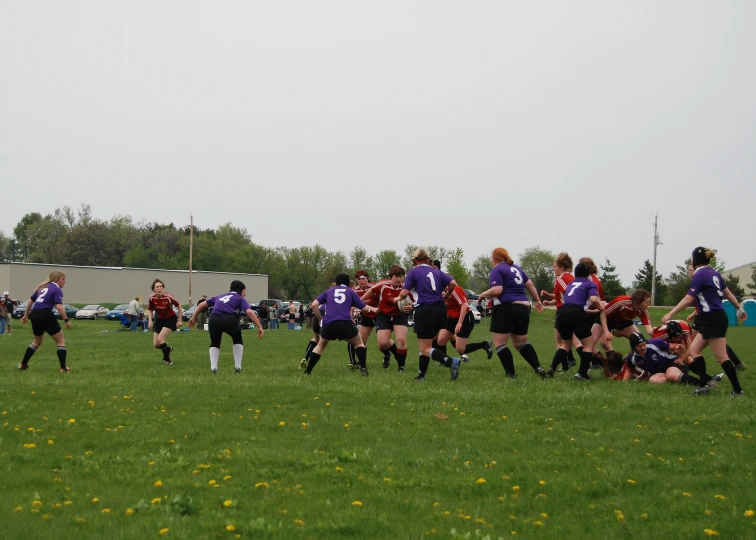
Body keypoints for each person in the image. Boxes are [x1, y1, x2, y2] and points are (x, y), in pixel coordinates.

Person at [662, 247, 746, 396]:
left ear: (696, 260)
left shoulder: (699, 275)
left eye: (691, 259)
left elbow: (689, 298)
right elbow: (727, 293)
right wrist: (739, 308)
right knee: (694, 350)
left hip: (712, 318)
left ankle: (737, 391)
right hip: (713, 317)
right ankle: (703, 385)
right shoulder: (714, 273)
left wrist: (670, 313)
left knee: (721, 357)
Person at [477, 247, 546, 379]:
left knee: (500, 342)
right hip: (524, 307)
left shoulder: (497, 269)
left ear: (494, 258)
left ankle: (511, 374)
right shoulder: (516, 268)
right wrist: (537, 300)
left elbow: (497, 290)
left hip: (506, 307)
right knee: (521, 342)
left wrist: (482, 294)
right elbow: (530, 285)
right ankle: (538, 367)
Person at [394, 248, 462, 382]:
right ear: (428, 260)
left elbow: (404, 293)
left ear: (414, 260)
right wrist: (447, 295)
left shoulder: (413, 272)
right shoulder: (437, 271)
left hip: (426, 310)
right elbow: (453, 283)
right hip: (441, 309)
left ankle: (449, 361)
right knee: (426, 344)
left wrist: (398, 299)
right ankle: (421, 375)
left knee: (425, 348)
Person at [303, 273, 379, 376]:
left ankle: (308, 371)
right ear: (348, 283)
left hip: (329, 323)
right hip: (345, 323)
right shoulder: (350, 292)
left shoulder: (328, 291)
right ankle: (363, 369)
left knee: (321, 345)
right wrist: (375, 309)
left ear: (337, 282)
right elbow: (364, 308)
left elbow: (314, 305)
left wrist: (321, 319)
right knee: (359, 343)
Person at [545, 262, 610, 380]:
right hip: (576, 313)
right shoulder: (590, 284)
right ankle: (582, 373)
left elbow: (570, 303)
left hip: (562, 312)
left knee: (565, 345)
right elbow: (593, 299)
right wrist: (600, 308)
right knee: (588, 345)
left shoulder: (570, 284)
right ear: (588, 273)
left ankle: (551, 369)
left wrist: (591, 311)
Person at [188, 280, 264, 373]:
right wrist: (259, 326)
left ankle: (213, 368)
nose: (245, 294)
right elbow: (249, 311)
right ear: (241, 290)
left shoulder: (220, 296)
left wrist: (193, 318)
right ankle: (238, 367)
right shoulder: (240, 298)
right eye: (244, 291)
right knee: (237, 339)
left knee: (215, 342)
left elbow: (201, 305)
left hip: (214, 318)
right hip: (229, 318)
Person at [360, 265, 413, 372]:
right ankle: (387, 354)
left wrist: (411, 307)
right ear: (390, 277)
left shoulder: (405, 288)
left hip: (399, 315)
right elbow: (368, 293)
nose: (399, 279)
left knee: (401, 340)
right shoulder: (382, 285)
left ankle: (401, 367)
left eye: (401, 276)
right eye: (396, 276)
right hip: (384, 315)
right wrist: (359, 302)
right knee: (383, 344)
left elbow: (414, 302)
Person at [18, 271, 72, 372]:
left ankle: (23, 364)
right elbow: (59, 306)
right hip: (46, 314)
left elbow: (30, 301)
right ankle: (63, 368)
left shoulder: (43, 287)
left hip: (35, 314)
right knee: (60, 341)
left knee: (36, 342)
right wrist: (66, 320)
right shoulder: (57, 289)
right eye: (63, 279)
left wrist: (26, 315)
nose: (64, 281)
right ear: (56, 279)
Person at [621, 332, 718, 387]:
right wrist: (624, 384)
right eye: (639, 346)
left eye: (643, 344)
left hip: (674, 364)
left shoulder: (655, 343)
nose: (643, 348)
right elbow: (629, 369)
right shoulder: (632, 358)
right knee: (654, 381)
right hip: (660, 372)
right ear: (633, 347)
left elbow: (676, 346)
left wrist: (679, 349)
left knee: (671, 374)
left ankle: (704, 384)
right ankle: (679, 379)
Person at [540, 252, 581, 371]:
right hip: (573, 311)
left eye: (555, 267)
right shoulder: (572, 277)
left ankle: (565, 366)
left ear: (562, 267)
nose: (554, 269)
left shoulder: (560, 278)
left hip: (564, 313)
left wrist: (564, 307)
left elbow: (568, 293)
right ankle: (576, 362)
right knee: (573, 341)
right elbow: (561, 297)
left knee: (561, 342)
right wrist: (549, 298)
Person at [436, 283, 493, 363]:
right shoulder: (441, 290)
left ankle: (484, 344)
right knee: (441, 341)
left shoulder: (454, 289)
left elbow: (464, 305)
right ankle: (446, 362)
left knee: (460, 349)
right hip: (452, 318)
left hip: (465, 318)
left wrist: (459, 323)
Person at [592, 289, 653, 359]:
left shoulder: (643, 311)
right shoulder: (621, 302)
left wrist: (657, 331)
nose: (649, 304)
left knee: (639, 341)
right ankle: (599, 362)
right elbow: (603, 313)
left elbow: (649, 329)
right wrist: (606, 331)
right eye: (647, 302)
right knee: (595, 344)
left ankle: (626, 361)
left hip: (624, 321)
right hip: (607, 318)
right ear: (638, 302)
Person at [350, 270, 382, 370]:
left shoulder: (374, 288)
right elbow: (353, 305)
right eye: (359, 279)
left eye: (363, 278)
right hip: (366, 316)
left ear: (367, 278)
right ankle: (361, 361)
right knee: (361, 340)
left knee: (383, 342)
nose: (361, 280)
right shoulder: (356, 290)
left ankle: (388, 354)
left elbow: (382, 301)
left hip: (378, 315)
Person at [147, 279, 183, 365]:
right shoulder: (152, 298)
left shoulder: (168, 296)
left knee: (160, 339)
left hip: (170, 318)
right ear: (154, 289)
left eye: (161, 286)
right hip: (160, 319)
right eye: (157, 287)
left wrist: (179, 320)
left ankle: (168, 360)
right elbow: (150, 309)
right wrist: (150, 321)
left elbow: (179, 305)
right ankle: (168, 349)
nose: (159, 288)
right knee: (156, 344)